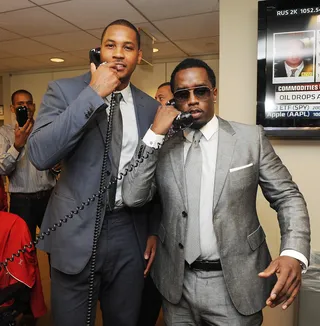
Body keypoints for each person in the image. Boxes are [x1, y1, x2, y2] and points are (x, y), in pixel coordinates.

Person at [122, 58, 311, 325]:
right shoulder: (162, 146)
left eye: (201, 91)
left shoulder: (249, 140)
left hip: (234, 285)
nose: (192, 100)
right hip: (176, 285)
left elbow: (287, 196)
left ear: (214, 92)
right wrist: (154, 133)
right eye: (182, 94)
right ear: (173, 101)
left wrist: (293, 252)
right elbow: (133, 196)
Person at [27, 19, 160, 326]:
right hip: (75, 230)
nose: (118, 54)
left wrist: (153, 229)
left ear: (139, 56)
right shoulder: (64, 91)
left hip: (129, 230)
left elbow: (154, 174)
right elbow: (39, 154)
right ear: (99, 50)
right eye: (110, 45)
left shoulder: (149, 107)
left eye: (127, 47)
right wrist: (93, 93)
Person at [0, 89, 57, 241]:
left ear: (34, 106)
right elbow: (2, 169)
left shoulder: (45, 129)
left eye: (29, 103)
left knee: (55, 246)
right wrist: (17, 146)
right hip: (21, 202)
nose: (25, 107)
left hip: (49, 197)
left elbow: (56, 161)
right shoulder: (4, 133)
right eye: (20, 104)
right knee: (23, 250)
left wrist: (58, 164)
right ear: (12, 108)